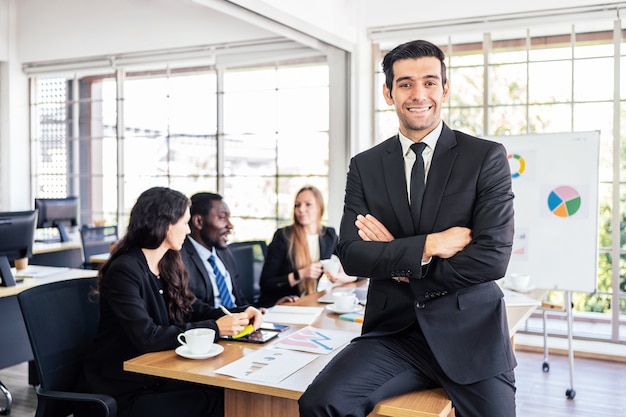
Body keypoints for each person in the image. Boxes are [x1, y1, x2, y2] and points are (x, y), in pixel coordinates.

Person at [299, 40, 516, 417]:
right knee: (321, 402)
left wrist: (398, 261)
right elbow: (351, 254)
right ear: (388, 92)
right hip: (395, 336)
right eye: (405, 84)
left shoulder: (485, 157)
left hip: (472, 336)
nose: (419, 94)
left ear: (445, 89)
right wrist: (430, 244)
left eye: (430, 82)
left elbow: (491, 258)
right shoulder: (365, 166)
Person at [81, 187, 263, 417]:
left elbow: (192, 309)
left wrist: (240, 312)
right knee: (220, 402)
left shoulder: (168, 263)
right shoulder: (124, 271)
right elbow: (148, 337)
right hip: (127, 387)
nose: (188, 230)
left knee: (228, 391)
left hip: (160, 376)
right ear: (166, 224)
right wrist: (216, 328)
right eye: (185, 222)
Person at [257, 185, 356, 307]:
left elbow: (357, 267)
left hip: (310, 302)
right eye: (297, 205)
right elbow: (266, 284)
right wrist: (301, 274)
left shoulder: (328, 236)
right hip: (283, 304)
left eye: (308, 204)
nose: (301, 209)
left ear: (320, 208)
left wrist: (340, 277)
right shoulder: (283, 236)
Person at [181, 192, 250, 308]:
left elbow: (239, 298)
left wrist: (256, 311)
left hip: (239, 321)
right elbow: (189, 310)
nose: (230, 225)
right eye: (222, 217)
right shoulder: (179, 258)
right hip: (213, 323)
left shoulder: (224, 253)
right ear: (199, 221)